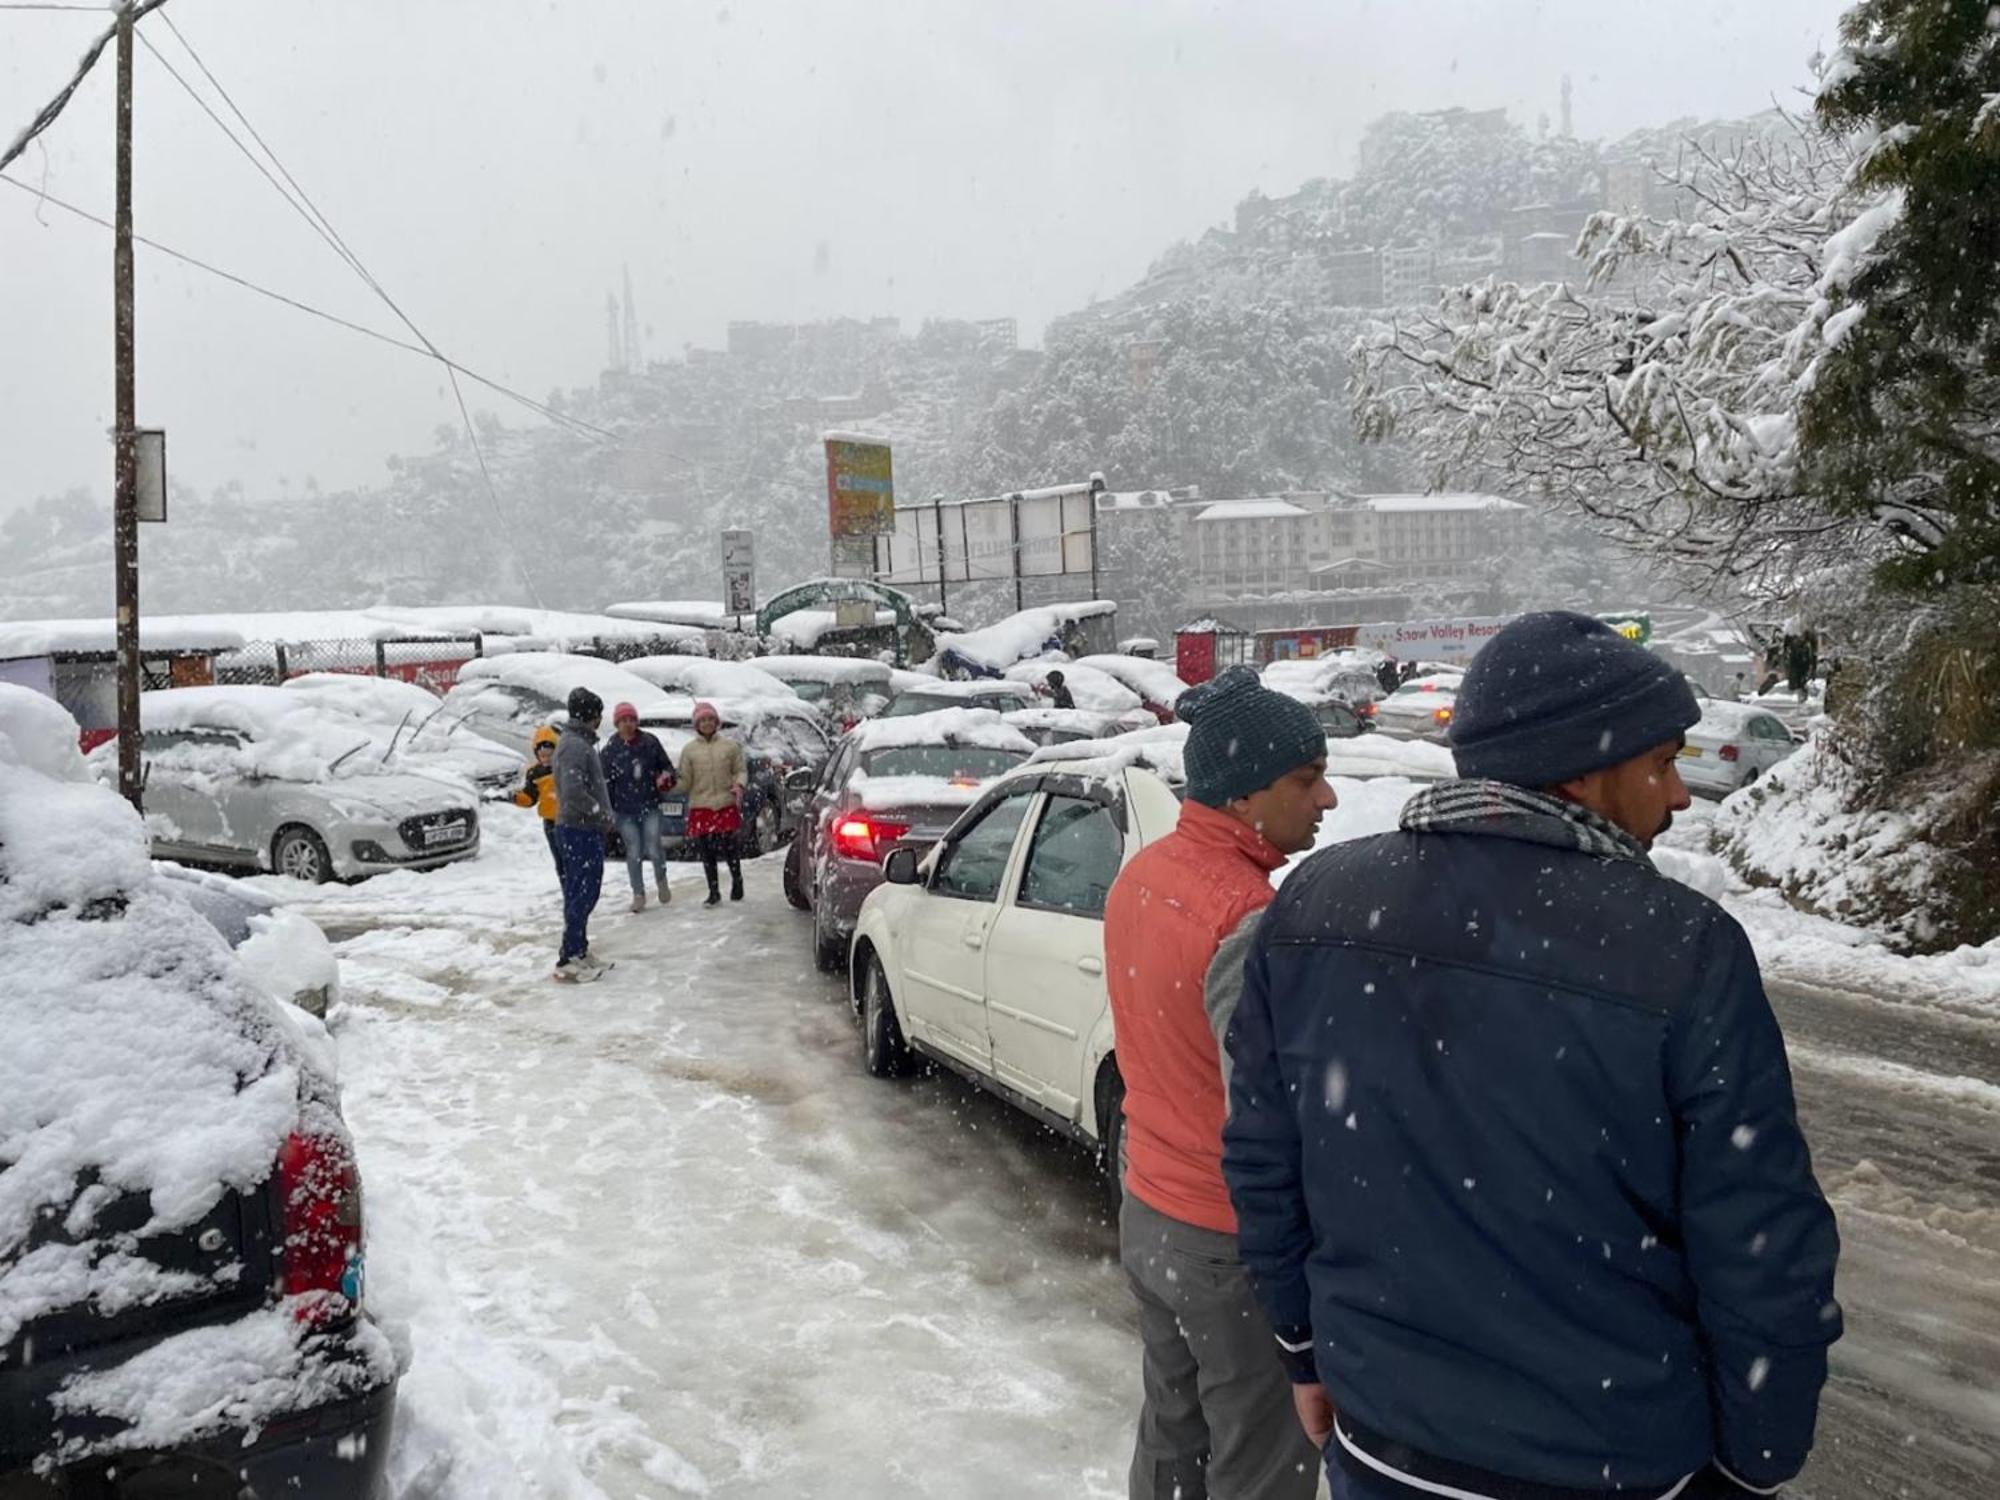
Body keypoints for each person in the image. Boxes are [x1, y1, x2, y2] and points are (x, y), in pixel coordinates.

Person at [1222, 611, 1842, 1500]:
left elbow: (1264, 1162)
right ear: (1582, 770)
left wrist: (1302, 1350)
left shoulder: (1318, 902)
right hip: (1611, 1457)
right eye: (1661, 763)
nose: (1677, 796)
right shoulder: (1681, 946)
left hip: (1386, 1440)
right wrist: (1756, 1463)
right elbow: (1761, 1244)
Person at [1102, 664, 1335, 1500]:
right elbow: (1266, 1122)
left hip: (1151, 1212)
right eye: (1306, 780)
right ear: (1243, 794)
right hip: (1227, 1245)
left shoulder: (1144, 875)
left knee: (1173, 1434)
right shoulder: (1246, 917)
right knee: (1262, 1462)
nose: (1328, 799)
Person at [551, 686, 616, 983]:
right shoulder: (574, 746)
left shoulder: (580, 742)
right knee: (581, 892)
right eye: (598, 713)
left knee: (587, 890)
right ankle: (569, 956)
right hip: (577, 829)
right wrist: (600, 813)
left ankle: (580, 948)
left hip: (585, 828)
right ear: (591, 715)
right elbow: (574, 791)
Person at [600, 700, 677, 913]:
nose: (628, 724)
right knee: (633, 850)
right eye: (623, 720)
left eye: (631, 719)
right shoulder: (610, 750)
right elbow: (605, 782)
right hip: (624, 810)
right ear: (616, 724)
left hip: (649, 803)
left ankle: (661, 881)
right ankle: (638, 893)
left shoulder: (650, 743)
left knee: (653, 847)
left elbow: (667, 767)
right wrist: (609, 808)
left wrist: (665, 777)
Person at [677, 700, 748, 906]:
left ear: (717, 722)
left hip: (725, 803)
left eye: (710, 719)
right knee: (707, 851)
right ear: (696, 725)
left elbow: (740, 770)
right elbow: (685, 780)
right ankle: (713, 891)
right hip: (701, 806)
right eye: (703, 720)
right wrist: (667, 785)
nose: (707, 723)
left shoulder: (730, 746)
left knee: (730, 848)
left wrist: (739, 785)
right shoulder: (689, 750)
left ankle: (737, 880)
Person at [512, 724, 563, 877]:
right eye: (542, 756)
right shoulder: (534, 772)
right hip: (550, 822)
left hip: (568, 819)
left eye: (550, 755)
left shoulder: (564, 768)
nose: (546, 759)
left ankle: (574, 890)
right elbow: (530, 798)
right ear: (536, 754)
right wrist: (515, 798)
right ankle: (567, 889)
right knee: (559, 861)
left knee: (571, 859)